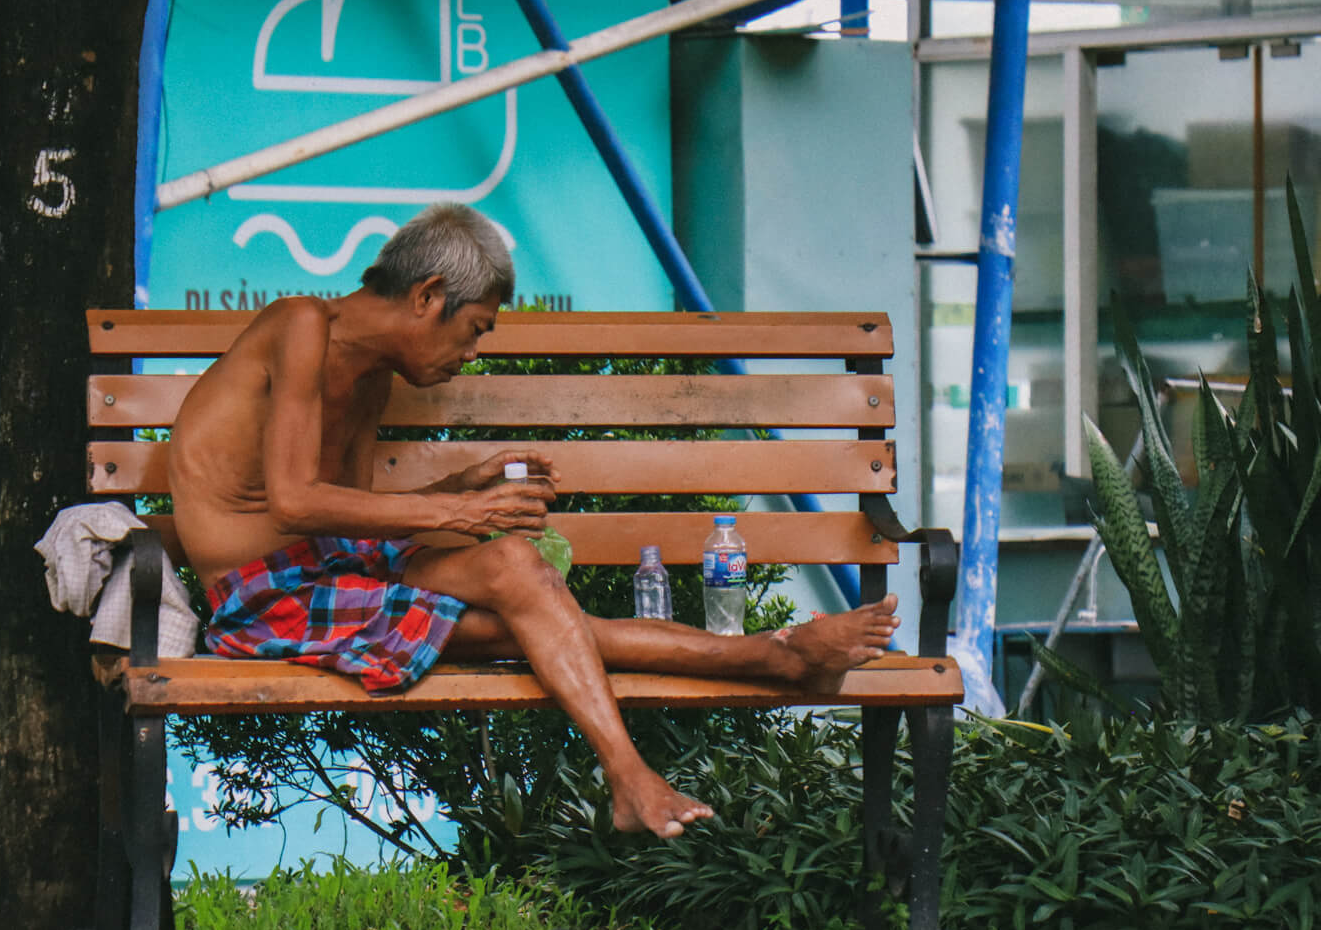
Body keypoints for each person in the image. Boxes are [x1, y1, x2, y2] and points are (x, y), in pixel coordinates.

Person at [166, 202, 900, 839]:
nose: (471, 352)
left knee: (519, 566)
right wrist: (456, 507)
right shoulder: (299, 325)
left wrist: (464, 484)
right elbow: (293, 501)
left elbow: (351, 529)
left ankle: (670, 744)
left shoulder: (374, 379)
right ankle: (760, 667)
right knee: (527, 619)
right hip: (264, 596)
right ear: (427, 296)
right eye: (474, 329)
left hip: (331, 575)